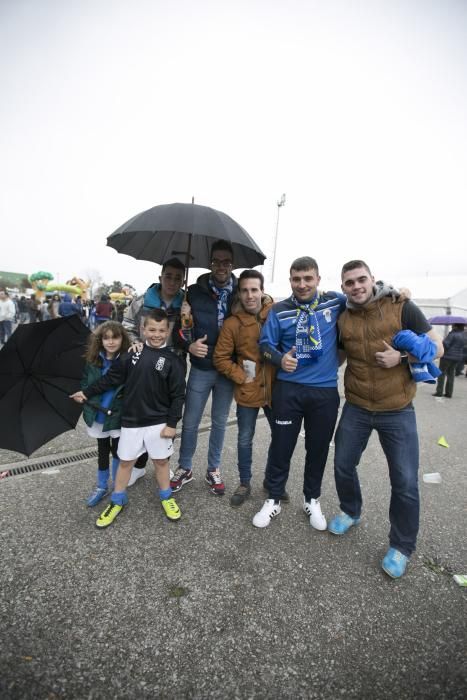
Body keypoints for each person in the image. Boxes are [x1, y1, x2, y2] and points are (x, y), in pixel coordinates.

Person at [328, 260, 443, 579]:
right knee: (341, 464)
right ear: (343, 288)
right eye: (349, 282)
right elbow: (338, 355)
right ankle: (351, 511)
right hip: (357, 405)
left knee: (404, 481)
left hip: (397, 408)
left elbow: (438, 347)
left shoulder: (401, 306)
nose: (356, 286)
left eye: (360, 279)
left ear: (372, 279)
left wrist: (402, 357)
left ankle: (402, 546)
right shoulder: (343, 316)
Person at [71, 309, 186, 528]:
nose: (156, 334)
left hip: (159, 422)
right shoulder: (131, 355)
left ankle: (166, 497)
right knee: (125, 462)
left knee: (161, 462)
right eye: (151, 329)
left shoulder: (173, 360)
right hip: (131, 422)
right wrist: (86, 393)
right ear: (143, 329)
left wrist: (172, 424)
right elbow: (110, 379)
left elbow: (178, 395)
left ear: (168, 331)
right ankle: (117, 500)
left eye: (161, 330)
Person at [254, 256, 346, 529]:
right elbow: (264, 345)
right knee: (281, 447)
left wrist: (400, 293)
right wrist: (280, 359)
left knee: (317, 449)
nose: (302, 284)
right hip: (289, 390)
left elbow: (365, 297)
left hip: (325, 392)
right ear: (290, 280)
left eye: (308, 279)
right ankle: (273, 498)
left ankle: (312, 499)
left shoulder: (335, 302)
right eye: (297, 279)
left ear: (318, 279)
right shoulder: (278, 309)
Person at [170, 240, 237, 496]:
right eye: (217, 261)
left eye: (226, 262)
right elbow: (179, 332)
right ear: (210, 263)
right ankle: (185, 467)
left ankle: (213, 469)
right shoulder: (194, 292)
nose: (221, 266)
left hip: (227, 369)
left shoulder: (240, 291)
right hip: (200, 367)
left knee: (220, 422)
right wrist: (189, 346)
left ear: (232, 264)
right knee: (190, 421)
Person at [213, 269, 280, 507]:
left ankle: (273, 481)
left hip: (276, 388)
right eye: (244, 290)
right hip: (248, 389)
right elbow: (220, 358)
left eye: (254, 290)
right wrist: (241, 376)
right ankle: (244, 482)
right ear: (239, 293)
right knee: (244, 439)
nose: (250, 295)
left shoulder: (276, 313)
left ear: (262, 291)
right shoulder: (232, 323)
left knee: (280, 437)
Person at [122, 257, 186, 486]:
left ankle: (163, 462)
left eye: (178, 277)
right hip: (145, 365)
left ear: (183, 280)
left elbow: (189, 336)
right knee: (143, 414)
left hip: (174, 366)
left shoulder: (186, 304)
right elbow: (127, 324)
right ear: (160, 277)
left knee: (167, 416)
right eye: (168, 275)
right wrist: (135, 341)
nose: (172, 281)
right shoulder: (141, 301)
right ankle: (138, 466)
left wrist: (187, 320)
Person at [80, 321, 130, 506]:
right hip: (98, 415)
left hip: (117, 415)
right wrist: (84, 395)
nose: (110, 342)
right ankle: (102, 486)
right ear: (100, 340)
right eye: (106, 337)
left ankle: (118, 487)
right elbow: (85, 382)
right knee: (102, 451)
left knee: (118, 451)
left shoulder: (127, 359)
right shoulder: (92, 361)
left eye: (115, 337)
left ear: (122, 339)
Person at [433, 324, 465, 398]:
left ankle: (439, 392)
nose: (451, 326)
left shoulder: (452, 334)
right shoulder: (464, 335)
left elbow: (446, 345)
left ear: (456, 326)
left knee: (441, 374)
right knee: (451, 374)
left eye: (453, 325)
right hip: (457, 358)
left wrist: (442, 341)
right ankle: (449, 393)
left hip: (447, 357)